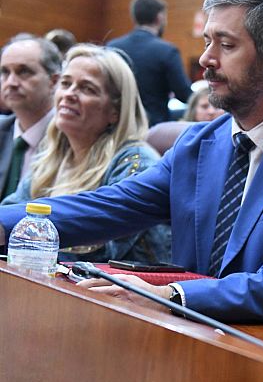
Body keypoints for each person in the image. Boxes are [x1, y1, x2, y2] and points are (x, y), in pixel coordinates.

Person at [0, 0, 263, 337]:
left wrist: (168, 296)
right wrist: (4, 223)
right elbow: (108, 206)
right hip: (190, 337)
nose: (206, 58)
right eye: (208, 42)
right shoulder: (196, 143)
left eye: (226, 44)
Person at [2, 44, 171, 263]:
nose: (69, 94)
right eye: (65, 83)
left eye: (87, 88)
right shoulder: (52, 154)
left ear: (115, 111)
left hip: (115, 293)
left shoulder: (135, 162)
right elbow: (12, 209)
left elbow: (103, 254)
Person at [107, 0, 192, 126]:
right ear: (159, 18)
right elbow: (184, 94)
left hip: (116, 125)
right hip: (152, 128)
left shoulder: (111, 47)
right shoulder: (167, 51)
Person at [0, 35, 61, 199]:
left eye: (23, 71)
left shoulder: (71, 136)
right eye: (5, 72)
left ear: (54, 82)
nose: (11, 82)